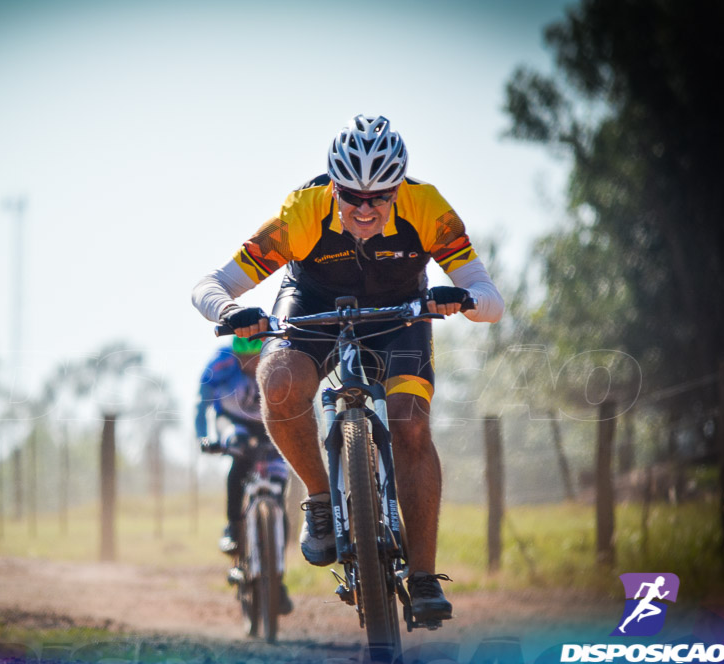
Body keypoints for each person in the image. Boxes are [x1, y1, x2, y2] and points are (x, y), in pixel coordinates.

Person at [192, 114, 504, 624]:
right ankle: (319, 499)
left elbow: (491, 297)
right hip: (314, 302)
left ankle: (423, 577)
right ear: (332, 187)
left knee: (412, 423)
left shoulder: (428, 208)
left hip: (398, 314)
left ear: (397, 188)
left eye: (380, 196)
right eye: (352, 195)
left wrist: (465, 298)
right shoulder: (302, 212)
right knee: (279, 381)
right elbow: (213, 282)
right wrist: (227, 311)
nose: (365, 208)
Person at [195, 335, 294, 614]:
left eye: (256, 359)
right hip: (234, 421)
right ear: (236, 356)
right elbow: (201, 402)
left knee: (277, 490)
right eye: (245, 360)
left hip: (268, 425)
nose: (251, 365)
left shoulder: (278, 363)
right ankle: (233, 527)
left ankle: (276, 575)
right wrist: (204, 437)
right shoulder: (221, 363)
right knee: (238, 455)